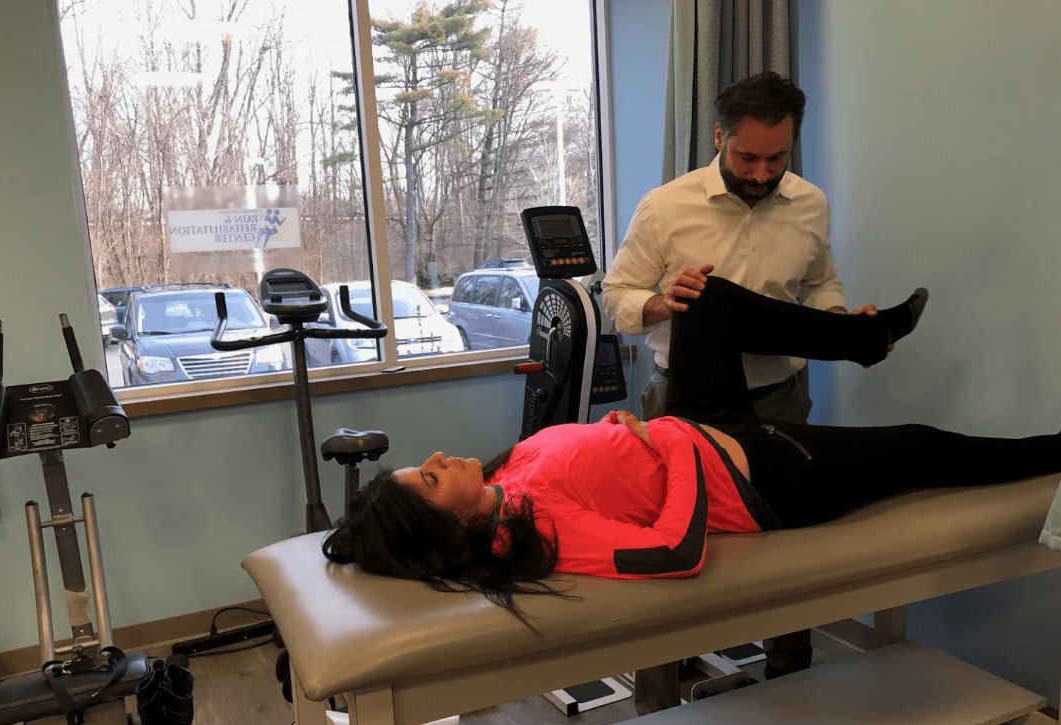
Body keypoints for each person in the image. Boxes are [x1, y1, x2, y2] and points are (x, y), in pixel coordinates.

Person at [323, 280, 1061, 633]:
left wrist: (617, 434)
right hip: (763, 477)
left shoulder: (508, 476)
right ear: (450, 530)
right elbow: (671, 551)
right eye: (428, 477)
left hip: (698, 426)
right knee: (919, 447)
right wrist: (674, 452)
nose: (441, 456)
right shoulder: (544, 527)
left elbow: (577, 457)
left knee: (703, 297)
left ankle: (863, 339)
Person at [601, 70, 870, 687]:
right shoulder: (666, 207)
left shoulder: (810, 203)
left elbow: (820, 283)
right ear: (719, 137)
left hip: (778, 398)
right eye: (746, 156)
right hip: (680, 400)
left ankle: (790, 684)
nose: (759, 172)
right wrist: (663, 302)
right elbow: (616, 293)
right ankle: (660, 696)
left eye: (775, 158)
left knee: (787, 541)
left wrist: (834, 322)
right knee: (672, 542)